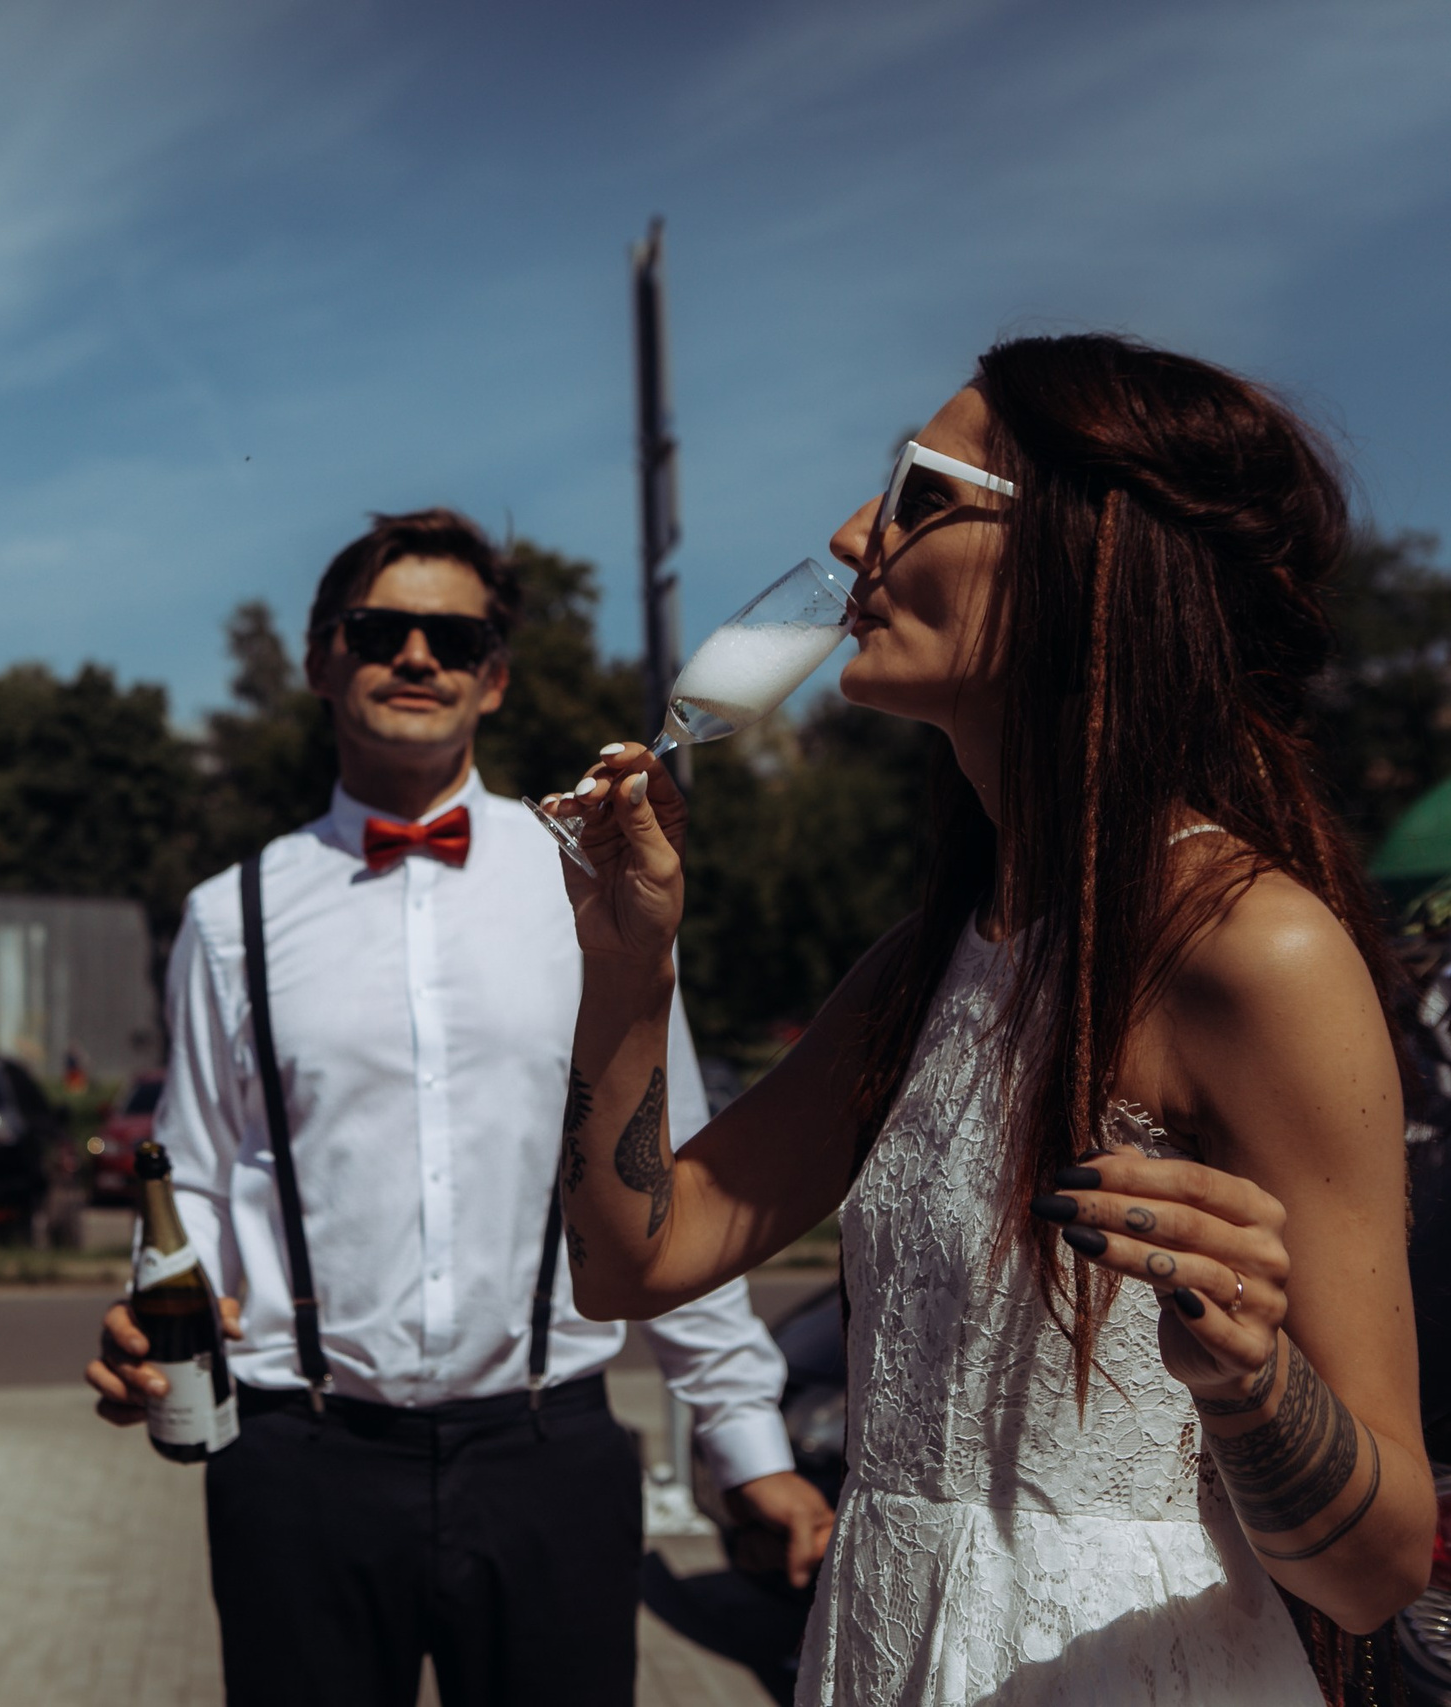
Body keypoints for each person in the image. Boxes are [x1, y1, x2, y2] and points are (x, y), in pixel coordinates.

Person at [549, 334, 1431, 1704]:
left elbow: (1379, 1571)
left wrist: (1252, 1381)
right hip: (887, 1648)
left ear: (1094, 558)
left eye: (922, 492)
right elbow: (631, 1262)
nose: (854, 535)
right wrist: (626, 965)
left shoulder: (1251, 948)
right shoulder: (924, 964)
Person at [84, 509, 834, 1707]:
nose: (417, 656)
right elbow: (202, 1178)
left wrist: (744, 1446)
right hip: (297, 1461)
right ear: (321, 659)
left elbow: (659, 1166)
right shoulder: (232, 914)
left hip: (547, 1454)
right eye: (379, 630)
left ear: (494, 679)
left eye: (456, 638)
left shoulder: (589, 883)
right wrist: (158, 1326)